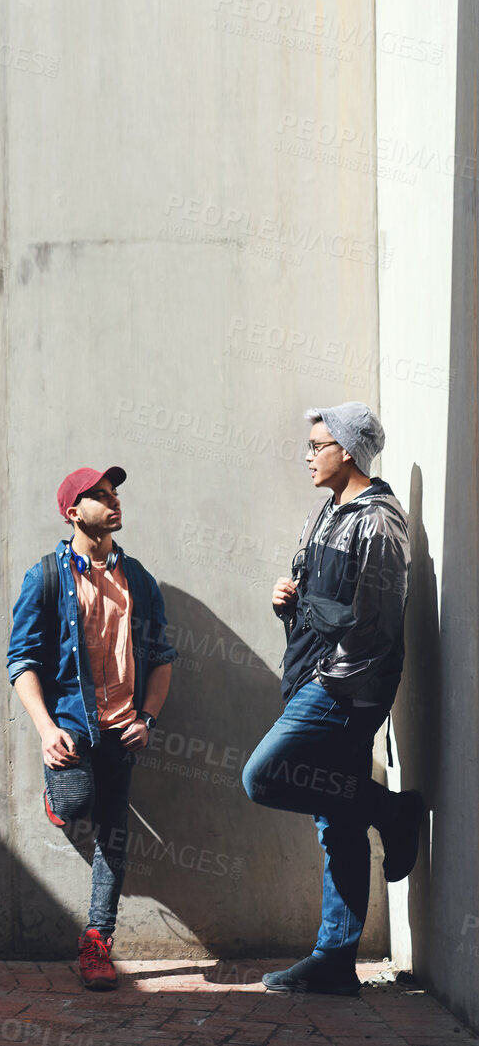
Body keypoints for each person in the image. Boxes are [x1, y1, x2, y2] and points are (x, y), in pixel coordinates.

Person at [241, 403, 426, 996]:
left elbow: (374, 626)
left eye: (317, 444)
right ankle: (335, 960)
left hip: (346, 685)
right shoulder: (326, 514)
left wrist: (323, 656)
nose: (308, 454)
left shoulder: (379, 520)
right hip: (312, 675)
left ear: (347, 450)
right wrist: (286, 601)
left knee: (263, 776)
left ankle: (393, 811)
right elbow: (318, 605)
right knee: (337, 820)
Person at [7, 466, 176, 990]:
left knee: (114, 834)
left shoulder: (139, 580)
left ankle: (98, 940)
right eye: (100, 496)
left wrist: (147, 718)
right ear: (73, 512)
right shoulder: (47, 577)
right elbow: (22, 660)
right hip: (72, 728)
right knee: (78, 804)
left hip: (122, 729)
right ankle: (59, 798)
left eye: (116, 493)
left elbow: (163, 656)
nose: (114, 502)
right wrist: (45, 729)